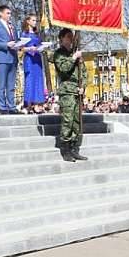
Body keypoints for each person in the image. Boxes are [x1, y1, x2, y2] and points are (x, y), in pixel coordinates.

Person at [52, 29, 87, 161]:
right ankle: (65, 149)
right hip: (67, 90)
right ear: (62, 38)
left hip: (77, 91)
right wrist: (73, 58)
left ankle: (74, 148)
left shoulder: (75, 54)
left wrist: (83, 86)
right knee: (68, 120)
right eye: (68, 37)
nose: (71, 39)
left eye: (72, 37)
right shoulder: (59, 54)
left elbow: (84, 72)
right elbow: (64, 69)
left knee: (77, 121)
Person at [0, 5, 23, 115]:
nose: (9, 15)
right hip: (2, 58)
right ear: (1, 14)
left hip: (13, 58)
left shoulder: (12, 26)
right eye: (7, 13)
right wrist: (5, 44)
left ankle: (12, 106)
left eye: (10, 13)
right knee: (2, 84)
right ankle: (2, 107)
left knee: (11, 85)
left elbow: (15, 40)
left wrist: (19, 44)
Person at [20, 14, 47, 107]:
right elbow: (22, 48)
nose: (35, 22)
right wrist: (30, 49)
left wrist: (42, 47)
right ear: (28, 21)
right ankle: (28, 103)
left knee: (38, 79)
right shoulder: (24, 34)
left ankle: (38, 103)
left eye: (36, 21)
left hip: (37, 59)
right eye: (33, 20)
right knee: (30, 79)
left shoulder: (37, 34)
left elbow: (39, 45)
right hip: (29, 59)